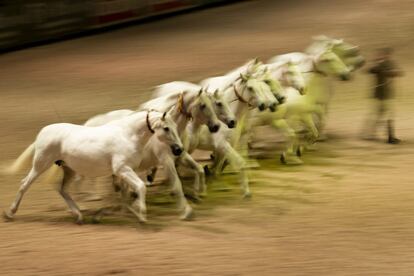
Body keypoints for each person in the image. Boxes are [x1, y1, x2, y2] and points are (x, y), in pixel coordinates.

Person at [364, 47, 403, 144]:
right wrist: (378, 64)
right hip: (379, 95)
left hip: (388, 94)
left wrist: (390, 72)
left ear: (387, 55)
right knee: (378, 115)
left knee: (388, 115)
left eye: (382, 54)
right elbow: (370, 70)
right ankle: (371, 134)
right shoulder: (377, 65)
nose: (380, 56)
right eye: (379, 54)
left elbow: (399, 72)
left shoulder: (390, 63)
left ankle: (390, 137)